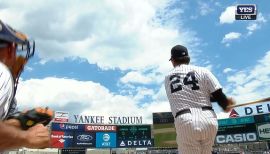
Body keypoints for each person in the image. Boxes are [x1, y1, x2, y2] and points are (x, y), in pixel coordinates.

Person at [164, 45, 235, 154]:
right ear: (188, 58)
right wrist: (225, 103)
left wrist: (223, 101)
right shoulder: (203, 71)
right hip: (209, 120)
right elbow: (218, 94)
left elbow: (188, 94)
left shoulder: (168, 77)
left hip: (185, 120)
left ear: (173, 60)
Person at [0, 20, 50, 150]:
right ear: (10, 49)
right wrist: (27, 137)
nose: (22, 60)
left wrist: (21, 122)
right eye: (18, 50)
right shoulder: (2, 71)